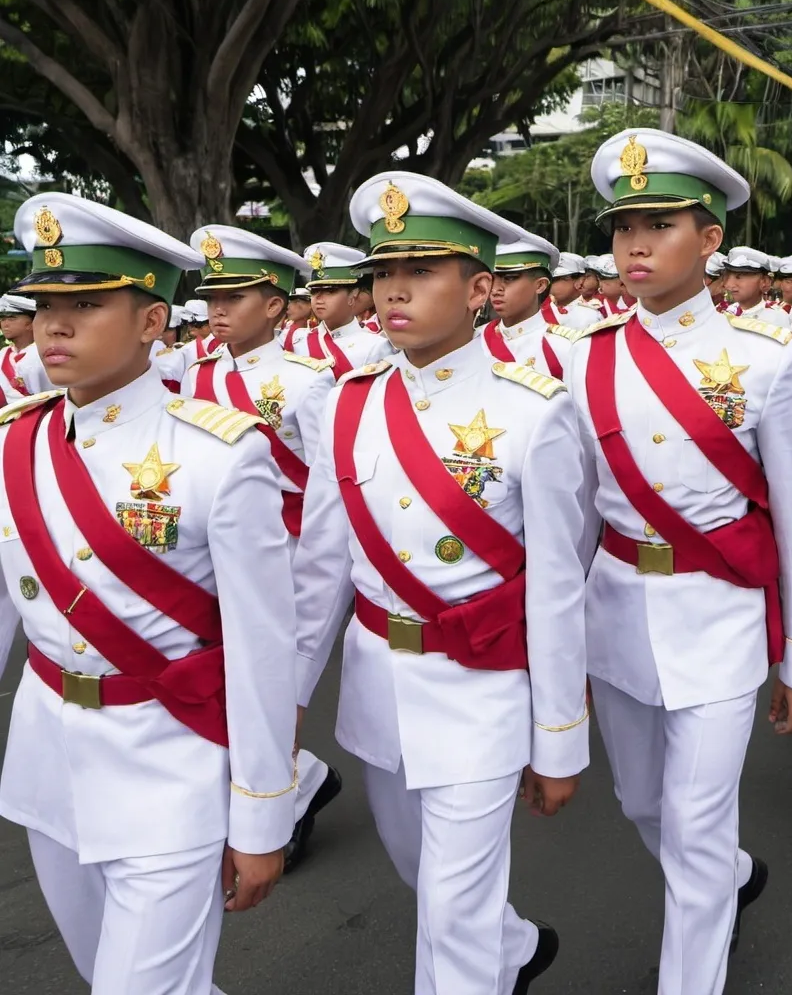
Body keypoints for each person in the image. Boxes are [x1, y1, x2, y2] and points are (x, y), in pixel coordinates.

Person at [291, 171, 589, 995]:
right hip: (379, 686)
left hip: (482, 689)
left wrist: (558, 735)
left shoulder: (537, 409)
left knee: (452, 919)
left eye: (420, 272)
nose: (393, 291)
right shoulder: (344, 405)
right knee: (428, 882)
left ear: (481, 288)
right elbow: (319, 573)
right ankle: (516, 951)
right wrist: (281, 707)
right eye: (383, 275)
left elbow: (558, 584)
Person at [0, 192, 297, 993]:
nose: (53, 326)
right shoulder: (11, 443)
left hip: (171, 770)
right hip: (48, 763)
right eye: (46, 304)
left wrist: (264, 813)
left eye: (86, 304)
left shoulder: (218, 456)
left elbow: (265, 651)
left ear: (151, 322)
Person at [578, 128, 792, 995]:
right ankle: (731, 874)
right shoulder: (582, 361)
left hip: (719, 620)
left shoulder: (767, 363)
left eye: (660, 223)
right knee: (641, 804)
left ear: (710, 238)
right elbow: (574, 515)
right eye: (623, 227)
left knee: (691, 822)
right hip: (613, 614)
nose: (636, 245)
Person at [181, 224, 342, 870]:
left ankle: (282, 800)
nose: (217, 310)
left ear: (274, 304)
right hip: (214, 559)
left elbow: (328, 490)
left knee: (271, 690)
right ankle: (291, 782)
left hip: (287, 555)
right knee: (222, 686)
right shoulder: (194, 375)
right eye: (211, 296)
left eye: (234, 296)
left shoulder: (308, 380)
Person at [481, 230, 576, 379]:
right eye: (492, 280)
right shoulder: (477, 339)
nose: (495, 289)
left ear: (540, 286)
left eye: (509, 278)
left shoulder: (564, 347)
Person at [296, 242, 392, 380]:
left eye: (330, 291)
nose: (319, 298)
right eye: (314, 291)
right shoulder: (299, 341)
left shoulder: (376, 346)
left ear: (353, 294)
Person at [721, 247, 792, 329]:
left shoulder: (776, 319)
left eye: (739, 277)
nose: (729, 284)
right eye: (728, 276)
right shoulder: (725, 314)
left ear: (765, 281)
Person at [0, 293, 49, 400]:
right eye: (3, 319)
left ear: (31, 324)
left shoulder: (44, 353)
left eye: (12, 318)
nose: (5, 324)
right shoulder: (2, 354)